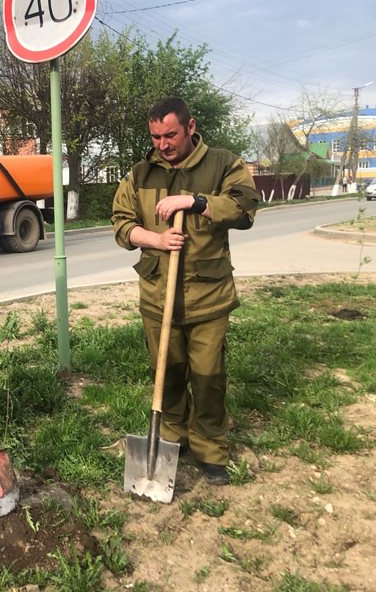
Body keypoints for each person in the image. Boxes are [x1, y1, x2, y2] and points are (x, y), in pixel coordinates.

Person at [111, 96, 259, 485]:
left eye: (171, 135)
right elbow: (121, 223)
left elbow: (244, 209)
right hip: (158, 296)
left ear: (190, 127)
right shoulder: (141, 174)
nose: (163, 144)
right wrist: (155, 240)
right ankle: (173, 438)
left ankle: (211, 447)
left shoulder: (223, 164)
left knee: (209, 376)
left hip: (207, 297)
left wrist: (195, 202)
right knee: (168, 373)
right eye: (156, 136)